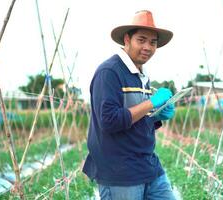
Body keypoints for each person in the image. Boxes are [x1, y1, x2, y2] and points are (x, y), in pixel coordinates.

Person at [83, 10, 176, 200]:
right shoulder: (109, 72)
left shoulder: (140, 75)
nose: (147, 47)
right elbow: (109, 121)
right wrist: (151, 103)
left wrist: (157, 115)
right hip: (120, 172)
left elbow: (137, 116)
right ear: (127, 39)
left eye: (153, 42)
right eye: (141, 40)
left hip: (147, 165)